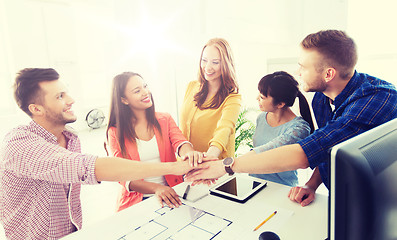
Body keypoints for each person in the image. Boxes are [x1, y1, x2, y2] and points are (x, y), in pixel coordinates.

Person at [185, 30, 397, 207]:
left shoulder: (376, 101)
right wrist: (311, 185)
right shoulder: (322, 99)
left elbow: (305, 153)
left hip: (380, 203)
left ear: (329, 74)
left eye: (303, 67)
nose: (298, 72)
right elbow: (327, 149)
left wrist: (227, 165)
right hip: (345, 197)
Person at [0, 68, 201, 240]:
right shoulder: (19, 143)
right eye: (60, 96)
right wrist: (174, 167)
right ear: (36, 109)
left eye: (66, 93)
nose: (71, 100)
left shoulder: (70, 138)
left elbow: (180, 140)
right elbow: (91, 167)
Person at [106, 72, 203, 211]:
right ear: (124, 100)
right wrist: (157, 188)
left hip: (171, 193)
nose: (145, 92)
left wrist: (189, 153)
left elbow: (180, 142)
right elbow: (121, 175)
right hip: (137, 200)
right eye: (137, 91)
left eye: (145, 86)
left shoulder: (165, 119)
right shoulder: (115, 132)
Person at [179, 38, 242, 161]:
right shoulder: (191, 87)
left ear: (226, 64)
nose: (207, 67)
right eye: (204, 60)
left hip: (214, 168)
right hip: (185, 165)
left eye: (215, 62)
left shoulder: (232, 98)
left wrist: (209, 157)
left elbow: (224, 129)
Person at [249, 71, 314, 187]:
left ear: (280, 104)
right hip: (256, 184)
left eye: (262, 97)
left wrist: (229, 165)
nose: (256, 98)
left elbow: (267, 152)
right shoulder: (261, 118)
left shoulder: (299, 129)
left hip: (282, 188)